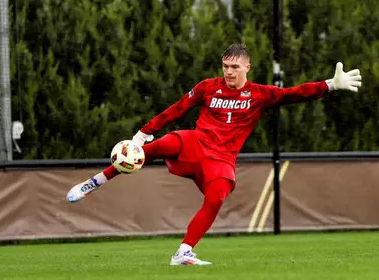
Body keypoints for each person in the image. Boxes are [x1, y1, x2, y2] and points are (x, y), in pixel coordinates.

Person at [66, 43, 362, 266]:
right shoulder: (208, 88)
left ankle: (183, 252)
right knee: (163, 144)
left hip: (221, 160)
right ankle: (97, 181)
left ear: (248, 67)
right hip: (196, 143)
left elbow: (294, 94)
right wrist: (145, 132)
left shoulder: (259, 94)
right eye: (225, 66)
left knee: (217, 197)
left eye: (235, 66)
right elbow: (177, 109)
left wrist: (329, 85)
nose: (229, 71)